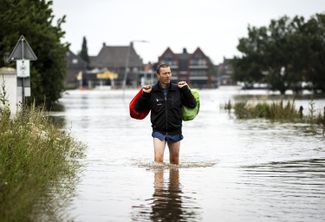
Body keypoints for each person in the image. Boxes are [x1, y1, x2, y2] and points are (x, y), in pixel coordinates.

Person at [135, 63, 196, 165]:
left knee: (174, 161)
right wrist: (144, 95)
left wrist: (186, 90)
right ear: (158, 75)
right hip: (159, 130)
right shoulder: (152, 91)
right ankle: (158, 181)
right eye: (164, 73)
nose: (168, 75)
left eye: (169, 73)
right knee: (158, 160)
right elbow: (138, 108)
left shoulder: (178, 90)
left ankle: (174, 182)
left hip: (175, 129)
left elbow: (192, 104)